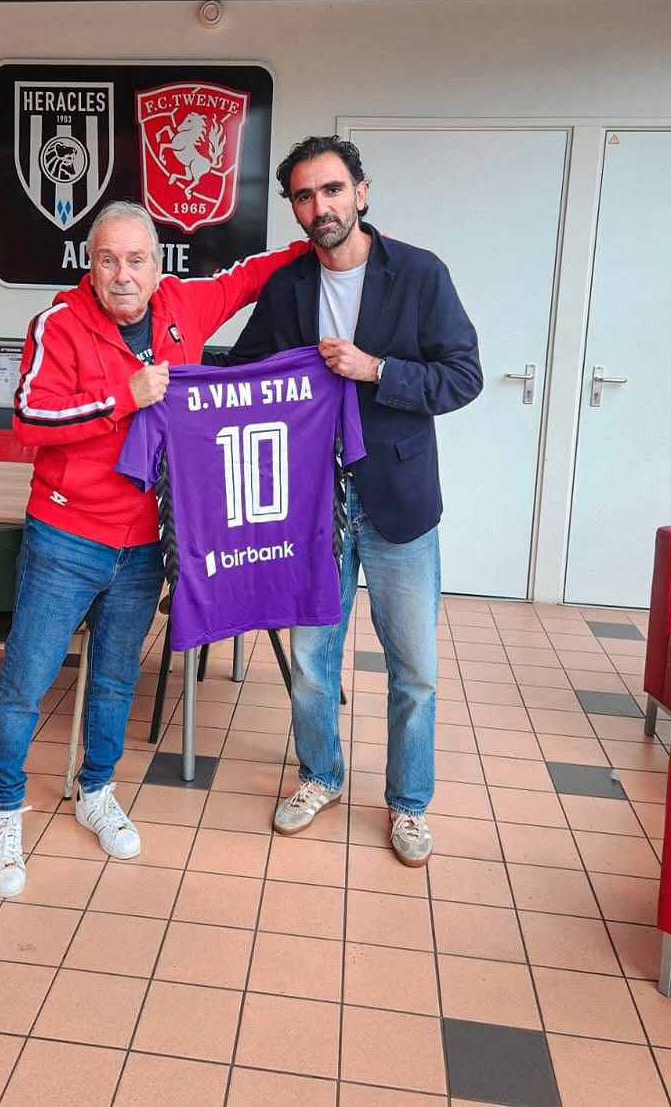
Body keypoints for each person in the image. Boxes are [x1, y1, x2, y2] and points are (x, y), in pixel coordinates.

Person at [0, 201, 310, 898]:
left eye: (135, 260)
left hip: (143, 543)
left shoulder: (183, 306)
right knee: (26, 681)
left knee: (114, 680)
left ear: (158, 266)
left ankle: (95, 791)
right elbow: (30, 419)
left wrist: (330, 238)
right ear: (90, 266)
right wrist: (120, 397)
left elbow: (251, 276)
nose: (122, 274)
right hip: (65, 537)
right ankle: (5, 812)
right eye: (108, 260)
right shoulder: (57, 324)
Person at [225, 135, 482, 866]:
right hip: (313, 508)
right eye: (305, 196)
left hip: (399, 502)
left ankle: (409, 805)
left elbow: (463, 376)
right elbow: (243, 375)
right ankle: (320, 777)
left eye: (333, 189)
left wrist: (376, 370)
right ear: (295, 209)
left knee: (414, 670)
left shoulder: (421, 274)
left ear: (361, 193)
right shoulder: (288, 288)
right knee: (312, 661)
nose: (321, 207)